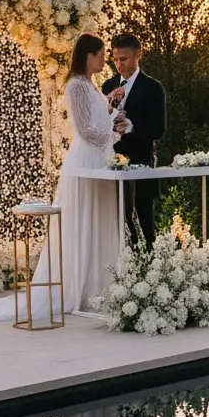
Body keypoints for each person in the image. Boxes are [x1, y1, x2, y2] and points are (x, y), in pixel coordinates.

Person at [54, 31, 124, 313]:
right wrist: (113, 133)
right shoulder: (77, 86)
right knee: (86, 218)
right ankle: (82, 288)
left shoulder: (90, 85)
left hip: (99, 157)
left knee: (100, 217)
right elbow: (85, 129)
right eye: (102, 55)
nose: (105, 60)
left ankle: (99, 287)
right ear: (88, 55)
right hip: (87, 159)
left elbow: (96, 118)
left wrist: (109, 104)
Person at [105, 32, 168, 244]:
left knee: (145, 222)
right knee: (117, 223)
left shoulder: (153, 88)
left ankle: (149, 258)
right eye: (115, 59)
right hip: (113, 164)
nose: (118, 65)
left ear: (138, 55)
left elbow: (159, 129)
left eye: (123, 59)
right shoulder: (108, 86)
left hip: (142, 163)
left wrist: (132, 127)